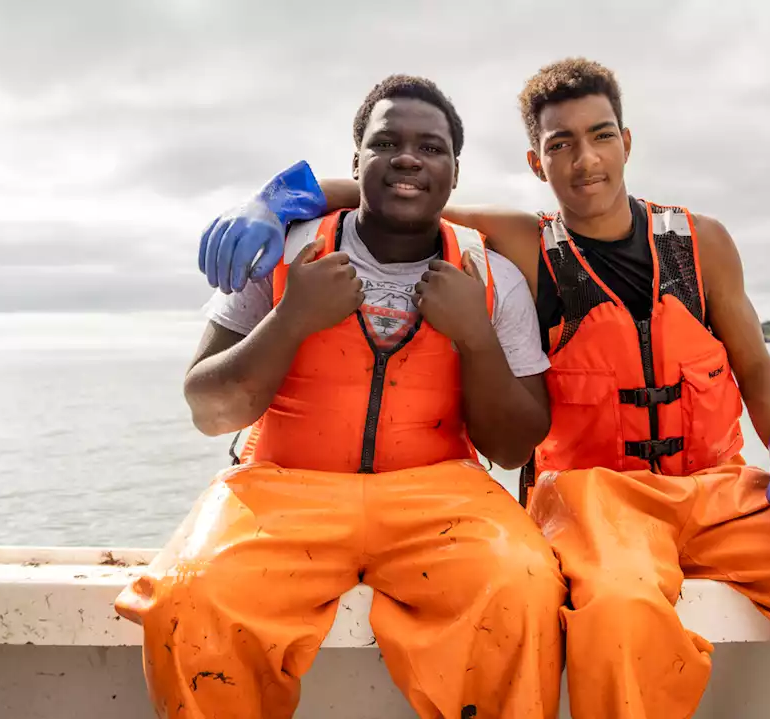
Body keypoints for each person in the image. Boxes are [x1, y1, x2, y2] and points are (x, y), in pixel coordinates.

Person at [200, 58, 770, 719]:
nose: (585, 160)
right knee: (618, 615)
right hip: (595, 496)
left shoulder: (700, 241)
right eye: (560, 144)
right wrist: (276, 199)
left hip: (718, 488)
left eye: (600, 135)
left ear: (626, 140)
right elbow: (397, 189)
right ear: (535, 160)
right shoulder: (525, 243)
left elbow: (758, 367)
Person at [118, 75, 567, 719]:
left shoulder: (490, 275)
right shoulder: (285, 251)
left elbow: (513, 445)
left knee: (522, 584)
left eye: (432, 148)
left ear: (454, 173)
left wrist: (475, 337)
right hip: (280, 489)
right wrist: (291, 318)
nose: (409, 157)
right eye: (386, 142)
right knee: (192, 597)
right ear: (356, 163)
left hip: (439, 495)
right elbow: (210, 410)